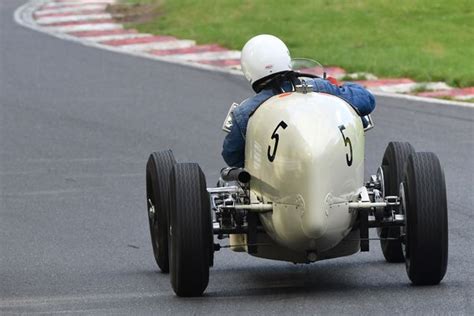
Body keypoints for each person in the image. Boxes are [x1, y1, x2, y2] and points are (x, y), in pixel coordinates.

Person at [222, 34, 376, 167]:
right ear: (285, 58)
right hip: (331, 160)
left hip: (278, 179)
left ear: (249, 70)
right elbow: (367, 100)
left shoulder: (245, 112)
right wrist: (337, 87)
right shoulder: (320, 86)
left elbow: (231, 156)